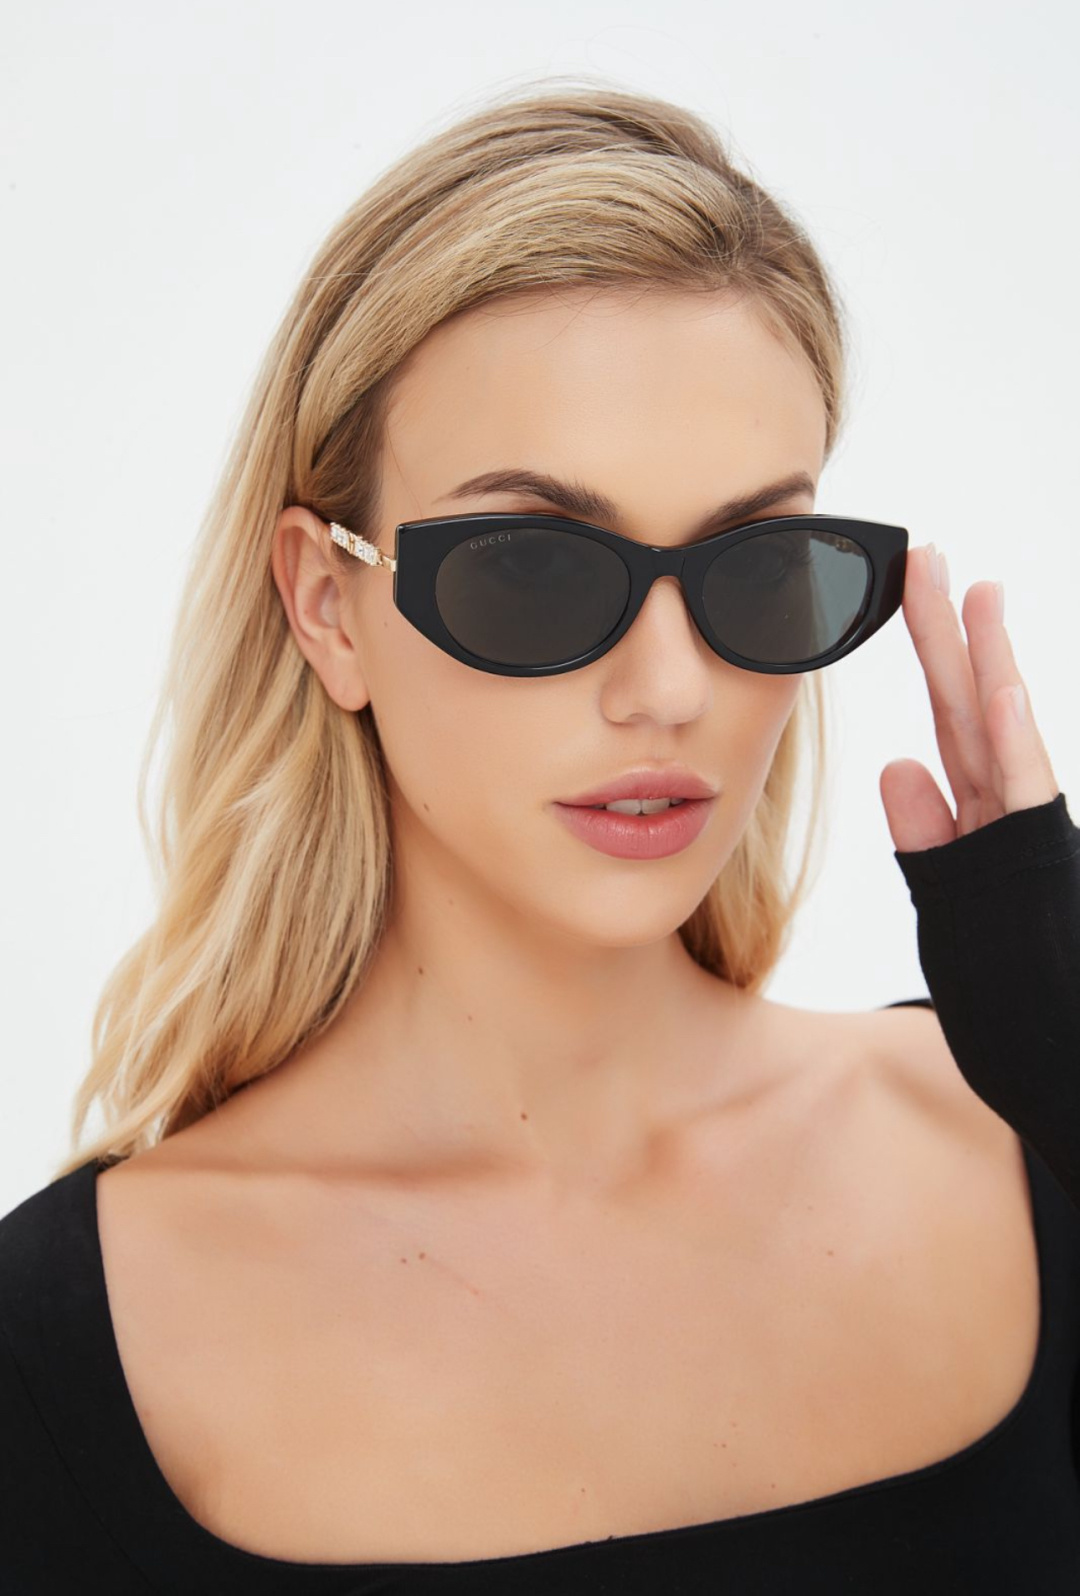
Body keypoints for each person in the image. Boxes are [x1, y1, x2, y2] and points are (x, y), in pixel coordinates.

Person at [2, 79, 1078, 1592]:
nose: (669, 691)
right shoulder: (67, 1351)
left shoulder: (1016, 1135)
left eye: (754, 562)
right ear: (327, 606)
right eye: (532, 568)